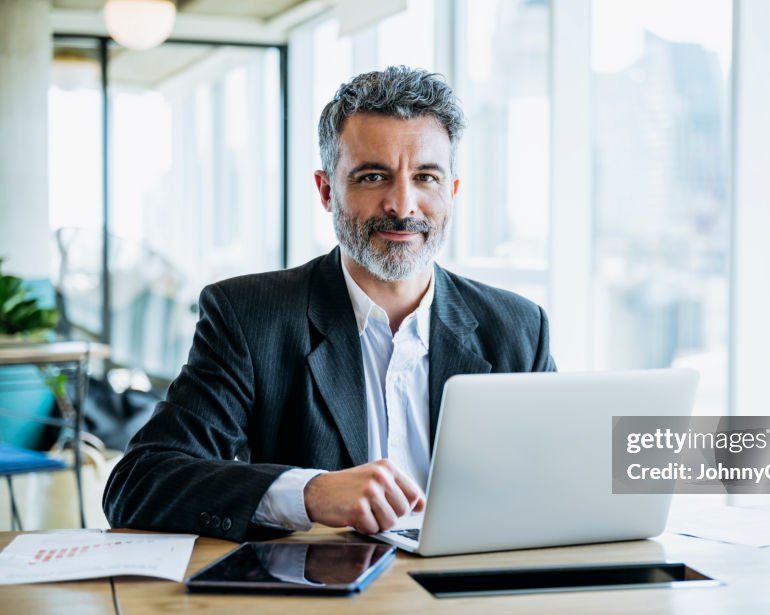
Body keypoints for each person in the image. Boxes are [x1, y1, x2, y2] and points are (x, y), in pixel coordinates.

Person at [102, 66, 556, 541]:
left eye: (425, 177)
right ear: (326, 191)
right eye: (373, 177)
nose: (402, 205)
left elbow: (564, 476)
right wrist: (308, 493)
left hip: (479, 593)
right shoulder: (249, 316)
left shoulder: (519, 327)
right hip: (325, 599)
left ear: (452, 192)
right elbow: (137, 483)